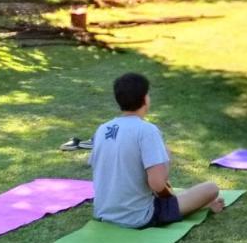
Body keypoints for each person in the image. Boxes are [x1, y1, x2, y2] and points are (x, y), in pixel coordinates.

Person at [89, 72, 224, 229]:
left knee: (176, 196)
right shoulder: (147, 130)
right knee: (211, 188)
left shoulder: (102, 129)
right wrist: (167, 159)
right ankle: (204, 204)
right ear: (145, 99)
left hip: (103, 212)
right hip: (137, 217)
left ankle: (202, 204)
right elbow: (158, 185)